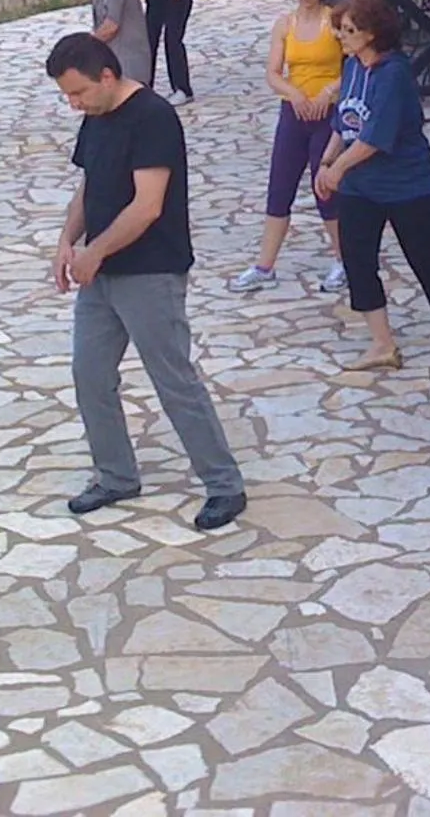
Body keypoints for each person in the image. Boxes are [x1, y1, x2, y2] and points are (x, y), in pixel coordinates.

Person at [47, 32, 247, 532]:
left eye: (79, 93)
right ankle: (116, 475)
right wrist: (66, 242)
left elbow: (147, 205)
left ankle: (224, 484)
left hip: (150, 272)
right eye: (67, 96)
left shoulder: (153, 117)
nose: (74, 105)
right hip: (102, 274)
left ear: (108, 76)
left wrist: (95, 251)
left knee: (173, 379)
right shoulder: (95, 119)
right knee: (90, 374)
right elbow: (88, 185)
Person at [313, 0, 430, 381]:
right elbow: (345, 123)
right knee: (358, 262)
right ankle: (383, 344)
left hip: (410, 187)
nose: (341, 36)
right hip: (362, 189)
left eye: (349, 30)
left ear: (372, 34)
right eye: (340, 29)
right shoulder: (353, 66)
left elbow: (375, 137)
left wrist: (337, 170)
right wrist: (327, 161)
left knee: (429, 265)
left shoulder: (394, 73)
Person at [229, 0, 347, 296]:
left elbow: (352, 62)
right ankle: (264, 265)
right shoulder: (285, 24)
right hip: (294, 114)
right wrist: (293, 94)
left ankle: (344, 260)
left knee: (324, 187)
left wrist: (329, 91)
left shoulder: (334, 20)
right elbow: (272, 72)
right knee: (280, 187)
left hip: (327, 112)